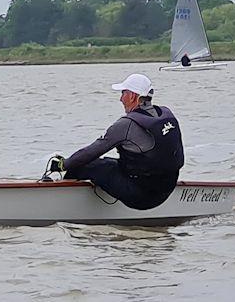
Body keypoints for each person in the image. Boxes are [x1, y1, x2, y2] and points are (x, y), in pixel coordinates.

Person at [49, 73, 184, 210]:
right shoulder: (166, 115)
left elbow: (91, 152)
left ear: (132, 96)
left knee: (82, 165)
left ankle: (59, 204)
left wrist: (63, 164)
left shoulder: (126, 125)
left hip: (142, 197)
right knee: (107, 163)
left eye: (123, 93)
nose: (120, 99)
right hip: (166, 190)